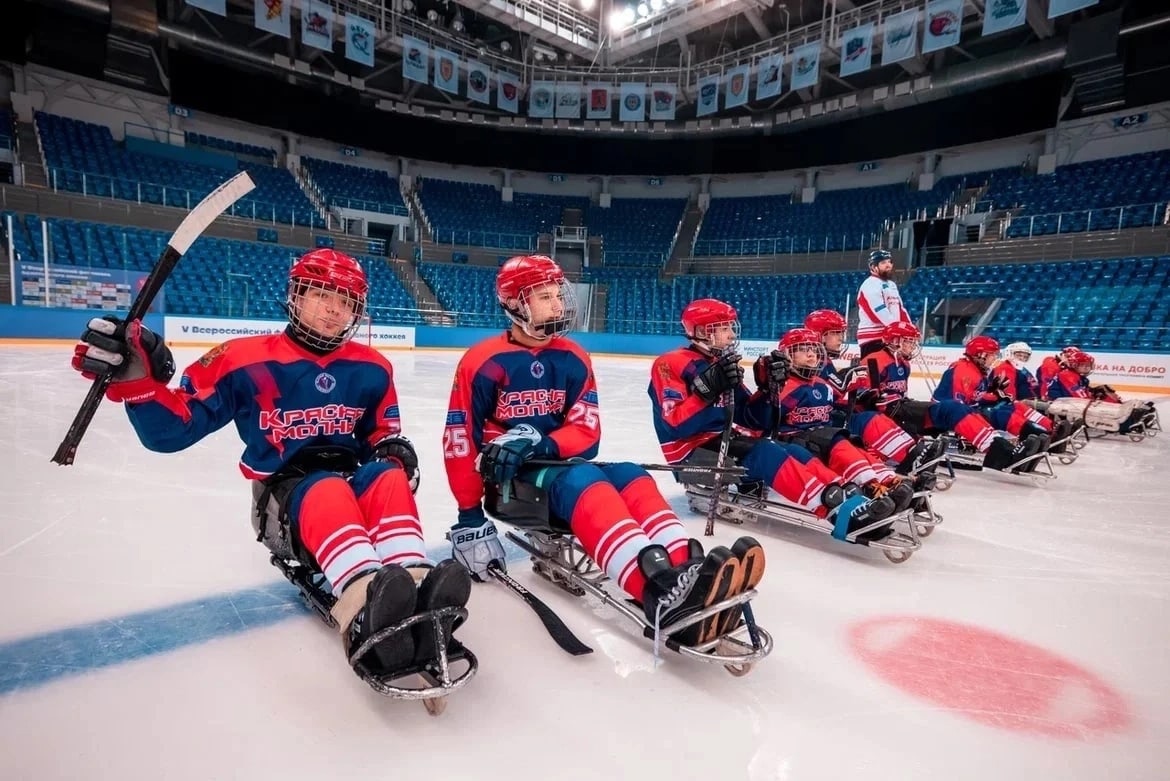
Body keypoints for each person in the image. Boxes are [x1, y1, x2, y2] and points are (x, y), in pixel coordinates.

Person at [70, 248, 471, 677]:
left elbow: (381, 433)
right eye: (322, 294)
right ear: (296, 295)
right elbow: (171, 433)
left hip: (347, 481)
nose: (334, 310)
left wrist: (391, 450)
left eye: (346, 301)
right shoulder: (241, 359)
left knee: (388, 477)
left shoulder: (373, 367)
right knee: (328, 489)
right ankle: (363, 605)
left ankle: (416, 587)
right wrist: (141, 386)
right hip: (284, 499)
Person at [442, 257, 762, 647]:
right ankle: (658, 593)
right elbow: (459, 440)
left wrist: (542, 442)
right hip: (510, 482)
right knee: (583, 478)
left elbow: (586, 432)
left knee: (630, 473)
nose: (558, 306)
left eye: (558, 295)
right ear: (514, 303)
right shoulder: (482, 361)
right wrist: (469, 514)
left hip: (557, 464)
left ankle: (688, 568)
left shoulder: (574, 356)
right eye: (544, 297)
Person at [648, 299, 898, 539]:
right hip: (690, 451)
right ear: (703, 331)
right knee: (765, 452)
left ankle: (843, 493)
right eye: (723, 328)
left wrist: (768, 390)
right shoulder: (670, 363)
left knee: (792, 451)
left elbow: (752, 419)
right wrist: (707, 391)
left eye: (730, 328)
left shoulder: (719, 363)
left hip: (724, 440)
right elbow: (676, 425)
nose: (732, 335)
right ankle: (835, 509)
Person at [770, 327, 915, 512]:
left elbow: (833, 411)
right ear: (787, 355)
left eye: (813, 349)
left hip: (821, 438)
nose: (811, 354)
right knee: (841, 448)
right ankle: (870, 485)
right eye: (802, 349)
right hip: (797, 441)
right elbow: (767, 421)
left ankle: (886, 478)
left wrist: (860, 396)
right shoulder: (784, 386)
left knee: (853, 446)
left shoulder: (822, 386)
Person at [865, 322, 1042, 473]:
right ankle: (1004, 453)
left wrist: (992, 393)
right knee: (957, 408)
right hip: (891, 413)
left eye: (913, 342)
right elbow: (864, 399)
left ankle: (1004, 450)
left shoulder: (903, 363)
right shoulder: (875, 360)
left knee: (960, 409)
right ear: (895, 341)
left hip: (901, 408)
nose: (913, 346)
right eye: (909, 341)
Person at [801, 309, 941, 484]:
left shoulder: (823, 361)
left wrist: (859, 395)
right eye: (836, 333)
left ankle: (914, 451)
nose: (841, 338)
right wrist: (844, 386)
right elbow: (816, 395)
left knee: (874, 417)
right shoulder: (811, 362)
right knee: (870, 419)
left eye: (841, 333)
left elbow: (830, 395)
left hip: (825, 417)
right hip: (814, 424)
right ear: (819, 335)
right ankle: (911, 457)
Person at [933, 335, 1056, 452]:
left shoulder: (975, 369)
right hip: (946, 416)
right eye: (992, 355)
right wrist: (992, 399)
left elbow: (973, 397)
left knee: (1013, 405)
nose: (994, 359)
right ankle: (1036, 439)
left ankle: (1049, 430)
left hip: (959, 410)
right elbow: (960, 405)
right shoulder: (964, 371)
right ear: (981, 355)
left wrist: (994, 396)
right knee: (1002, 414)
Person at [856, 249, 912, 358]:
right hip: (873, 338)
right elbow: (878, 312)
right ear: (873, 267)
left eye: (889, 262)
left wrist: (910, 327)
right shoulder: (870, 284)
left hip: (891, 336)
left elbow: (900, 309)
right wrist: (898, 329)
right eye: (883, 263)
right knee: (877, 368)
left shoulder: (891, 284)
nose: (888, 265)